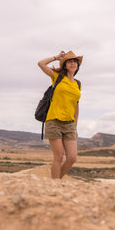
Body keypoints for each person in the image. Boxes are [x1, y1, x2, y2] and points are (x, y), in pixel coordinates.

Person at [38, 50, 83, 179]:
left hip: (69, 124)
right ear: (65, 65)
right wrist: (56, 57)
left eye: (75, 61)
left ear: (77, 66)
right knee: (58, 156)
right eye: (70, 61)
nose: (73, 63)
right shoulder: (57, 77)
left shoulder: (77, 84)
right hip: (54, 121)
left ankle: (55, 182)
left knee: (72, 158)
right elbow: (41, 63)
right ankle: (55, 185)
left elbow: (76, 106)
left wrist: (75, 126)